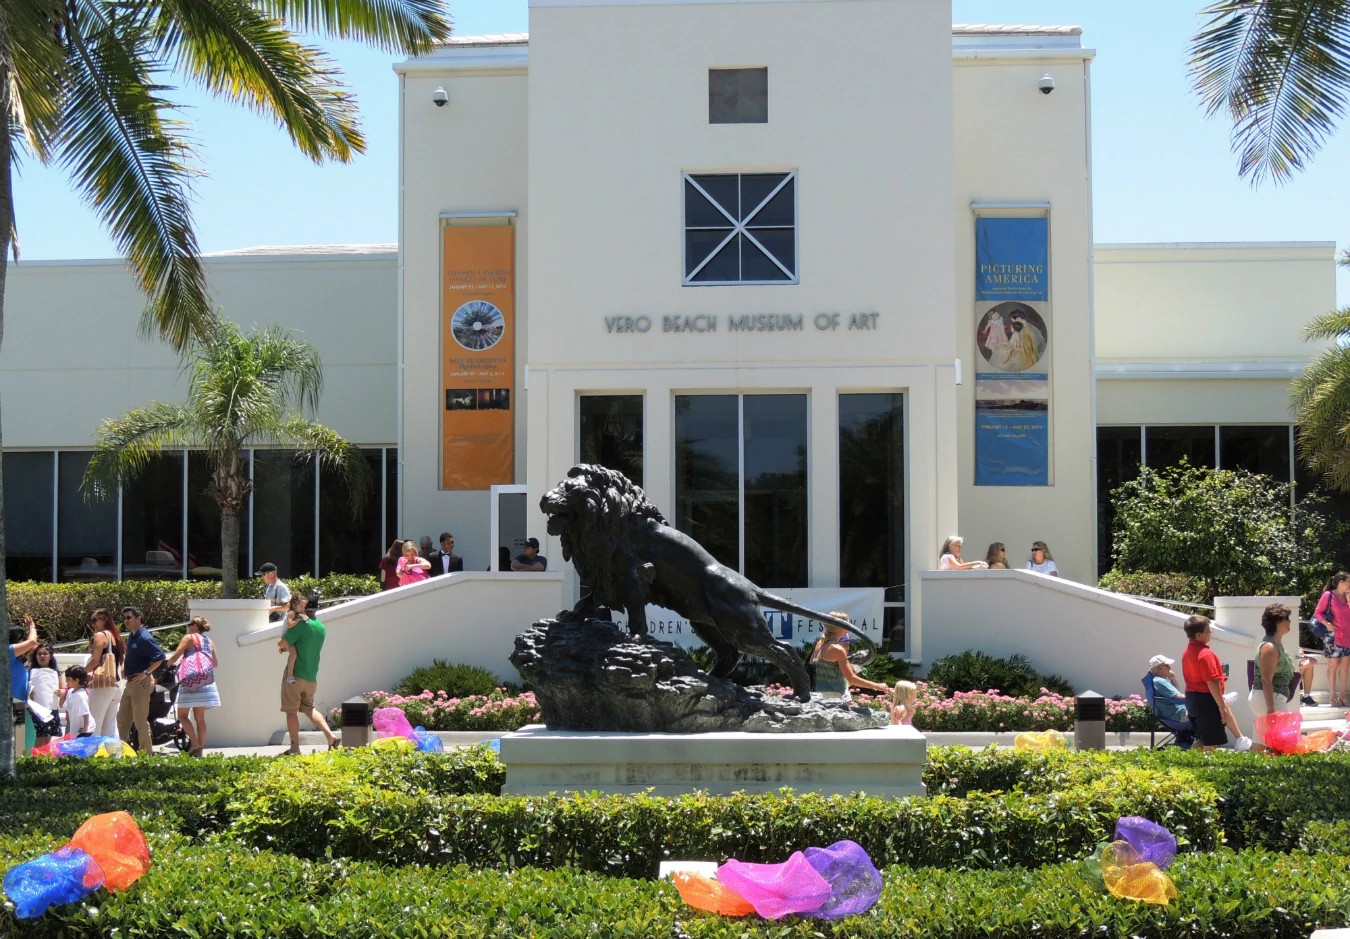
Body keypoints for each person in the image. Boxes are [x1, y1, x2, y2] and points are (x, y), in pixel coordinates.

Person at [1181, 614, 1249, 753]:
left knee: (1203, 739)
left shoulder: (1187, 652)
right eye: (1208, 631)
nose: (1210, 633)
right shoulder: (1205, 654)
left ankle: (1186, 764)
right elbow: (1211, 682)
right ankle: (1207, 771)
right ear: (1199, 635)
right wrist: (1222, 706)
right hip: (1205, 700)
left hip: (1192, 698)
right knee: (1210, 743)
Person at [278, 605, 337, 754]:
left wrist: (283, 645)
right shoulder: (321, 627)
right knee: (309, 708)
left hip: (295, 676)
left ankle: (295, 747)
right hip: (311, 676)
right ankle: (330, 736)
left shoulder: (302, 625)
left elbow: (282, 643)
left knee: (291, 712)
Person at [164, 616, 220, 758]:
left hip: (189, 681)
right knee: (200, 718)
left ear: (196, 626)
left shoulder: (189, 638)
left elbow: (176, 655)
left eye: (191, 623)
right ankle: (200, 750)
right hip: (205, 681)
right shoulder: (209, 641)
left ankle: (194, 744)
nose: (188, 626)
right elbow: (214, 663)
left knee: (182, 716)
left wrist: (166, 666)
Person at [1250, 602, 1299, 753]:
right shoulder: (1269, 647)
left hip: (1270, 698)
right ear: (1278, 622)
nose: (1290, 622)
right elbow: (1266, 679)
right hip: (1271, 700)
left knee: (1259, 746)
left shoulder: (1276, 644)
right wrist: (1270, 710)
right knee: (1284, 744)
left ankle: (1251, 772)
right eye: (1287, 619)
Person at [117, 606, 166, 755]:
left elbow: (160, 657)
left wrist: (145, 673)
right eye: (124, 618)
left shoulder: (145, 637)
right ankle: (122, 752)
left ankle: (147, 755)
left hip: (140, 683)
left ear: (139, 619)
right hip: (130, 682)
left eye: (129, 618)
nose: (126, 621)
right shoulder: (133, 635)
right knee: (122, 719)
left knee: (139, 721)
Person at [808, 613, 890, 700]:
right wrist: (877, 686)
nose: (849, 627)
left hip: (820, 698)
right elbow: (851, 679)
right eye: (847, 624)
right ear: (839, 626)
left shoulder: (820, 643)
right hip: (834, 701)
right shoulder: (838, 649)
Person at [84, 608, 125, 742]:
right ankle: (113, 756)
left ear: (104, 619)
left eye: (95, 620)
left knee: (93, 723)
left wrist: (81, 672)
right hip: (115, 685)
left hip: (102, 685)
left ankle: (92, 756)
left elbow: (95, 660)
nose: (93, 624)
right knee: (110, 726)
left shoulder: (100, 636)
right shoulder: (116, 637)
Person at [1313, 572, 1350, 707]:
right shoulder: (1328, 595)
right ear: (1341, 582)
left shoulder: (1348, 597)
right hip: (1332, 635)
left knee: (1345, 667)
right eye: (1349, 581)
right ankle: (1332, 697)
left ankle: (1342, 697)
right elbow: (1318, 612)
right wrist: (1327, 624)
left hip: (1348, 636)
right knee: (1333, 666)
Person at [9, 615, 38, 749]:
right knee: (22, 740)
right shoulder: (7, 650)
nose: (23, 643)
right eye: (21, 639)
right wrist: (31, 627)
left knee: (26, 737)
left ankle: (20, 764)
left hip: (18, 703)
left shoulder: (15, 657)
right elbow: (32, 642)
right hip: (12, 703)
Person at [26, 644, 62, 747]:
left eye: (45, 653)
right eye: (39, 654)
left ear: (50, 656)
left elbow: (62, 687)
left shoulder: (55, 672)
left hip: (51, 708)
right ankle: (37, 758)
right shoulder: (30, 671)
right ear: (36, 656)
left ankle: (46, 758)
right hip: (36, 709)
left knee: (48, 736)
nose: (42, 656)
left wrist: (61, 692)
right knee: (39, 735)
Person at [1146, 654, 1188, 723]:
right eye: (1167, 665)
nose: (1170, 668)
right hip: (1179, 714)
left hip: (1174, 715)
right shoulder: (1160, 681)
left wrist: (1173, 679)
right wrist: (1197, 697)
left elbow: (1176, 694)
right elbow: (1179, 697)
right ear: (1159, 668)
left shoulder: (1155, 681)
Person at [63, 666, 95, 737]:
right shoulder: (70, 692)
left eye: (68, 679)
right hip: (76, 727)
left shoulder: (81, 695)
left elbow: (85, 713)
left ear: (77, 680)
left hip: (85, 728)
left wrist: (85, 728)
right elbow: (66, 706)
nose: (66, 682)